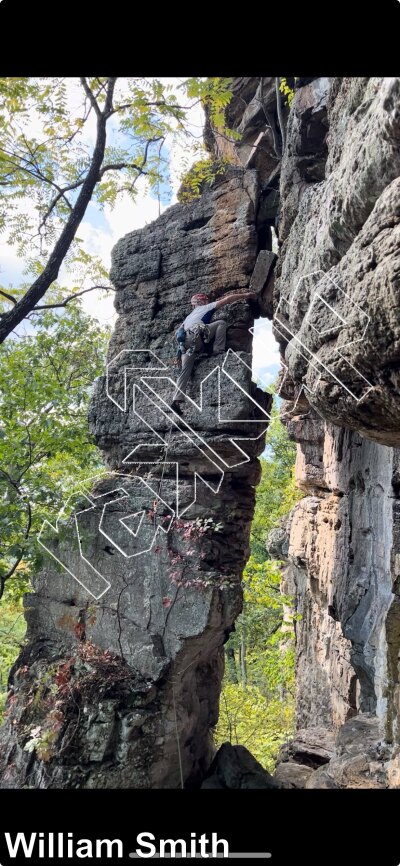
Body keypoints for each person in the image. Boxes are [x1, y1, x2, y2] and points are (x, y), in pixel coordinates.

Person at [170, 289, 257, 415]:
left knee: (185, 371)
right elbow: (227, 300)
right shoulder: (205, 308)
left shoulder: (188, 318)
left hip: (185, 347)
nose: (207, 301)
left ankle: (176, 401)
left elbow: (178, 334)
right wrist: (246, 295)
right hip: (196, 338)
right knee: (221, 323)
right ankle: (218, 350)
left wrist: (178, 355)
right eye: (205, 300)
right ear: (201, 301)